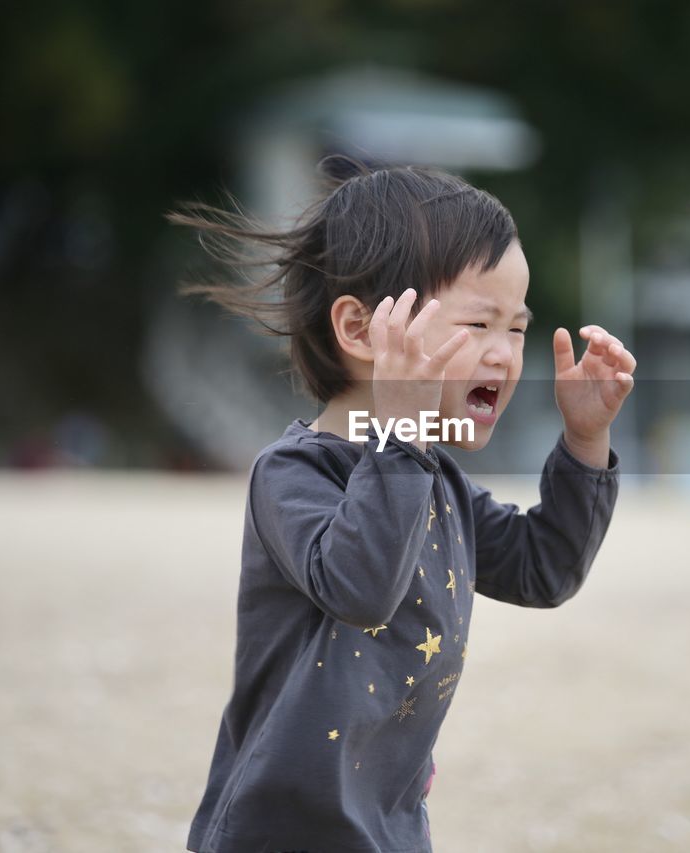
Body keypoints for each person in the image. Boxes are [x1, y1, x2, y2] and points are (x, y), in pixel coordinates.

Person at [174, 156, 637, 853]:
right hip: (279, 828)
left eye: (516, 327)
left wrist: (584, 439)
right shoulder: (293, 474)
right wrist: (404, 436)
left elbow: (544, 568)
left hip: (389, 827)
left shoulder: (434, 478)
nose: (506, 354)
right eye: (478, 323)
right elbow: (360, 585)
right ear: (361, 331)